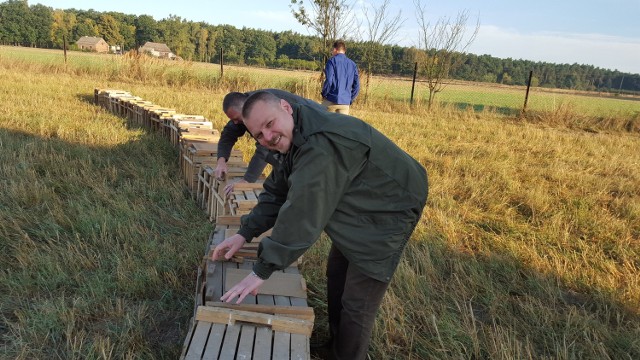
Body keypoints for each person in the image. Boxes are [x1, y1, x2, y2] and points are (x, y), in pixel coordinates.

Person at [211, 91, 428, 360]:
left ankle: (346, 355)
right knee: (337, 273)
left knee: (358, 301)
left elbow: (302, 214)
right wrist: (244, 234)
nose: (267, 137)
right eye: (258, 135)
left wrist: (261, 271)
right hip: (359, 197)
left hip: (390, 205)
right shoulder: (292, 135)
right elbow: (277, 192)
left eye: (269, 124)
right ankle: (334, 346)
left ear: (286, 108)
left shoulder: (319, 146)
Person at [214, 89, 323, 195]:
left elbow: (265, 149)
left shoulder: (261, 108)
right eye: (233, 120)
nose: (235, 123)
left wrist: (247, 181)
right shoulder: (243, 109)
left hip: (316, 125)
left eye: (237, 119)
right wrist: (221, 160)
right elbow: (228, 134)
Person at [321, 40, 360, 115]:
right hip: (345, 103)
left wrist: (324, 94)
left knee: (322, 123)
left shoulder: (331, 61)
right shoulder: (353, 64)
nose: (332, 52)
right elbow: (357, 86)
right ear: (344, 51)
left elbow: (329, 80)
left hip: (331, 100)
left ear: (335, 49)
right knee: (341, 126)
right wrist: (349, 99)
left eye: (332, 50)